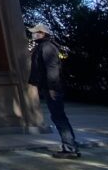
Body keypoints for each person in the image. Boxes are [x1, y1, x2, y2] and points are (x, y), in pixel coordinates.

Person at [28, 22, 79, 159]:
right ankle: (70, 145)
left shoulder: (47, 47)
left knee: (59, 117)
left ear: (43, 33)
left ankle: (70, 147)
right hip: (49, 86)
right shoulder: (43, 46)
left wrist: (51, 87)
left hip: (52, 88)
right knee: (58, 117)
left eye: (36, 32)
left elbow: (52, 69)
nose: (34, 34)